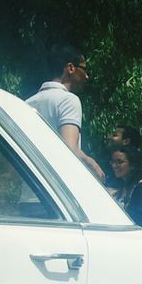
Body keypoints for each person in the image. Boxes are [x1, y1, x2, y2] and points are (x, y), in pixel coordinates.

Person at [25, 44, 104, 181]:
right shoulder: (68, 100)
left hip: (30, 191)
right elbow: (68, 149)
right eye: (84, 69)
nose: (86, 76)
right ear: (71, 68)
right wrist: (90, 161)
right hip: (58, 191)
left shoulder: (28, 103)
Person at [108, 145, 142, 231]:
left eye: (120, 162)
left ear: (132, 165)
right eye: (113, 162)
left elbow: (139, 219)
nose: (115, 166)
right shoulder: (122, 187)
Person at [104, 123, 142, 188]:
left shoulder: (137, 186)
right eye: (113, 162)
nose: (108, 137)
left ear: (126, 141)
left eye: (114, 135)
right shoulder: (105, 160)